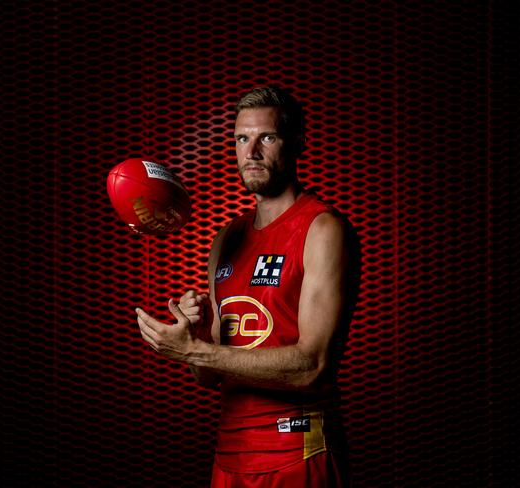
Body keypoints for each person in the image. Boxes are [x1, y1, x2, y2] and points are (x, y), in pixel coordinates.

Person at [136, 86, 360, 487]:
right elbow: (209, 374)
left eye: (267, 137)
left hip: (297, 452)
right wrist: (197, 334)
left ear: (297, 144)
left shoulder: (323, 228)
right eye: (242, 138)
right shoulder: (227, 238)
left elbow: (314, 365)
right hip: (230, 455)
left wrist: (195, 350)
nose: (251, 151)